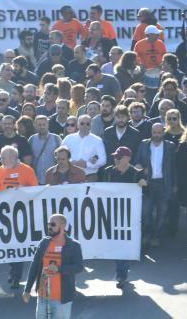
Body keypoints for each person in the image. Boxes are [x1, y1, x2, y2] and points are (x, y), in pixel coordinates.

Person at [99, 146, 147, 287]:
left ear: (127, 158)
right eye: (115, 157)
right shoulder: (107, 172)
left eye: (119, 157)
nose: (116, 159)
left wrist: (143, 184)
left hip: (130, 215)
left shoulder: (137, 173)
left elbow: (146, 191)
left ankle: (122, 273)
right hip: (112, 213)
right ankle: (122, 269)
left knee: (124, 243)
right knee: (116, 243)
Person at [0, 145, 39, 287]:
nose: (1, 160)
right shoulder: (0, 170)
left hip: (23, 213)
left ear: (13, 157)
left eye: (3, 158)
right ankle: (14, 271)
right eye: (1, 157)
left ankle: (16, 276)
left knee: (18, 244)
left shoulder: (27, 170)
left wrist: (24, 191)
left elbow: (36, 190)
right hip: (6, 214)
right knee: (9, 244)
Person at [23, 213, 84, 318]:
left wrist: (59, 269)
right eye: (48, 224)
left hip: (61, 299)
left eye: (52, 224)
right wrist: (27, 289)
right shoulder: (44, 242)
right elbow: (34, 266)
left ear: (63, 226)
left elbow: (79, 267)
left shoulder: (73, 245)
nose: (49, 227)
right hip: (42, 298)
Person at [135, 122, 176, 247]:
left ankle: (156, 236)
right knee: (146, 212)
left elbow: (174, 167)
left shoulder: (170, 146)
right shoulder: (143, 144)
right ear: (151, 132)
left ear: (163, 132)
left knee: (162, 212)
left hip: (163, 183)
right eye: (154, 132)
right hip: (148, 183)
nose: (157, 135)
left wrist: (175, 185)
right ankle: (147, 234)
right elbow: (137, 162)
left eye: (159, 132)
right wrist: (141, 168)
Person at [61, 115, 107, 180]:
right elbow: (60, 155)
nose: (84, 126)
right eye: (82, 123)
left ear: (91, 126)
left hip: (89, 176)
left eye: (87, 124)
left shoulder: (97, 140)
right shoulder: (68, 139)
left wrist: (87, 164)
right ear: (77, 125)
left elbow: (103, 160)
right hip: (70, 175)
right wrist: (70, 163)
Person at [29, 115, 63, 183]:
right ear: (35, 126)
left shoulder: (56, 139)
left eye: (44, 124)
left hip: (53, 178)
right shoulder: (31, 139)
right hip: (36, 178)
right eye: (39, 125)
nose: (42, 127)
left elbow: (62, 157)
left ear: (48, 124)